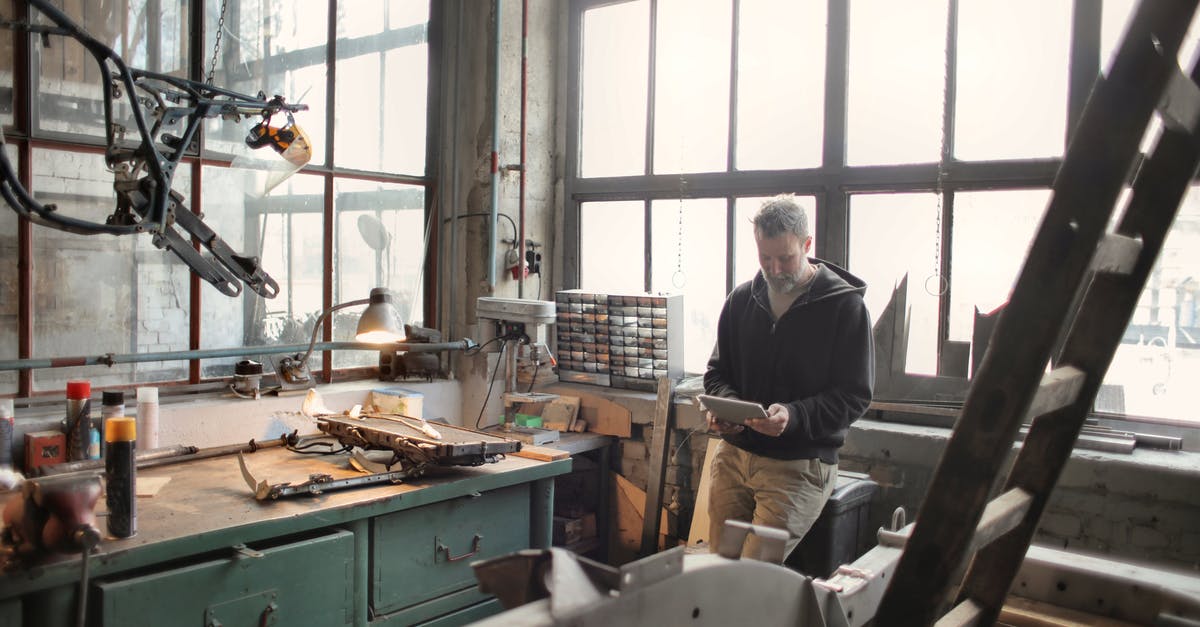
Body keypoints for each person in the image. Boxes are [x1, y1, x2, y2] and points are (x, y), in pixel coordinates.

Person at [704, 194, 873, 560]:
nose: (775, 269)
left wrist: (795, 416)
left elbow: (855, 395)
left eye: (786, 258)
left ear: (807, 245)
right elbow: (717, 372)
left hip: (799, 466)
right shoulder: (740, 300)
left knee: (752, 576)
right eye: (765, 258)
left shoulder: (845, 307)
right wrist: (729, 409)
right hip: (734, 457)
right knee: (719, 572)